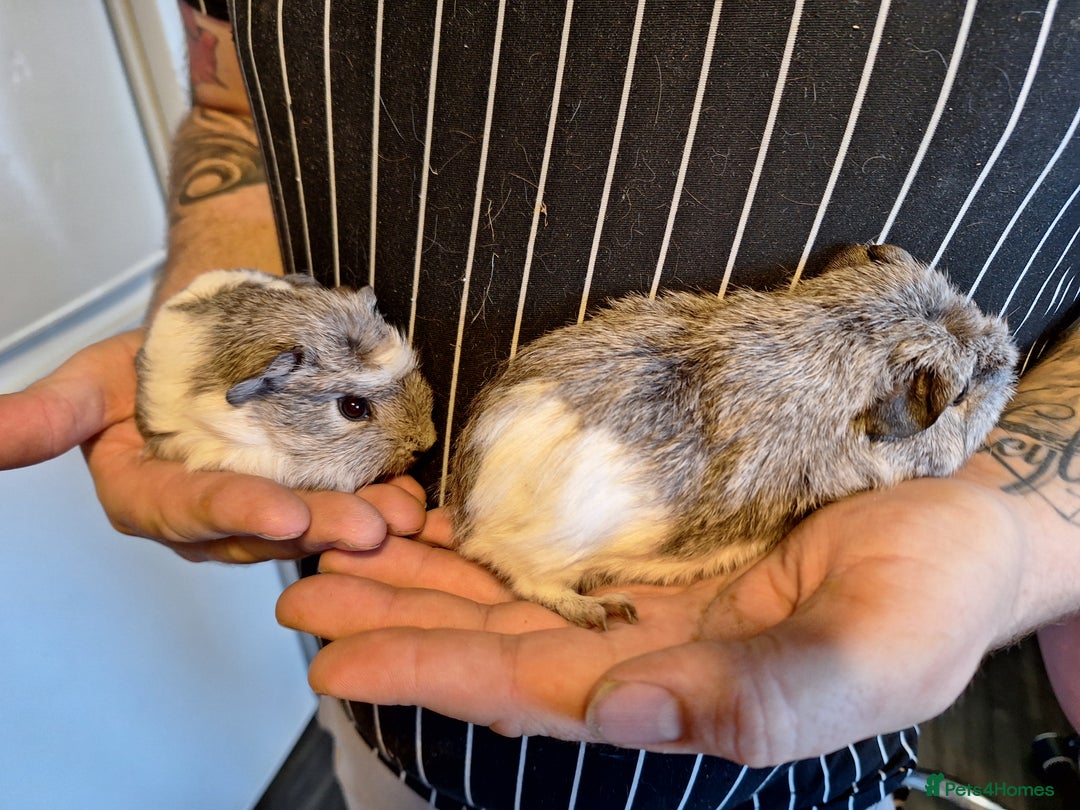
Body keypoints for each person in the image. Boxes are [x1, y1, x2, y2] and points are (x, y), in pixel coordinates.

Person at [3, 1, 1078, 808]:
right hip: (384, 666)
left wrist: (1016, 532)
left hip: (809, 754)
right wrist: (220, 321)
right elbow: (230, 102)